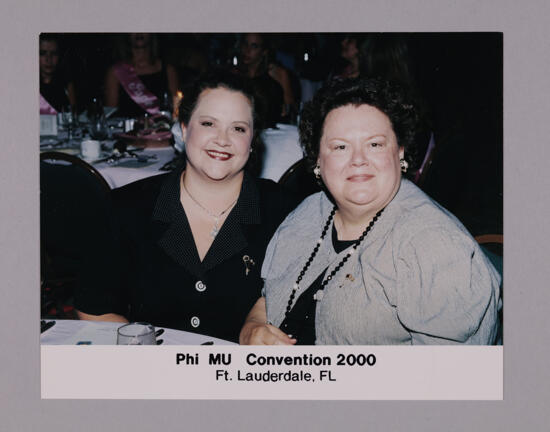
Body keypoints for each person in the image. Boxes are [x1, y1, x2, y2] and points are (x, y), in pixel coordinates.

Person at [240, 77, 501, 345]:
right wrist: (253, 326)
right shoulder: (309, 212)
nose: (358, 160)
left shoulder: (433, 245)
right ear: (318, 160)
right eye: (340, 147)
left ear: (400, 152)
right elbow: (270, 296)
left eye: (374, 144)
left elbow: (454, 377)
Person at [75, 71, 298, 343]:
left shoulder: (283, 210)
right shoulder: (128, 208)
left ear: (252, 141)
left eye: (238, 128)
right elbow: (94, 309)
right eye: (208, 123)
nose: (223, 139)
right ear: (183, 128)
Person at [104, 33, 179, 118]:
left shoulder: (168, 70)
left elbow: (176, 111)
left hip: (162, 129)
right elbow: (110, 115)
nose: (139, 32)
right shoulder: (115, 72)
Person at [238, 33, 295, 125]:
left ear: (264, 51)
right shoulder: (236, 73)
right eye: (245, 44)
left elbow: (289, 110)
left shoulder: (277, 73)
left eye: (254, 46)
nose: (247, 50)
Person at [39, 34, 76, 114]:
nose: (48, 59)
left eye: (54, 53)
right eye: (42, 53)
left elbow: (73, 116)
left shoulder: (66, 83)